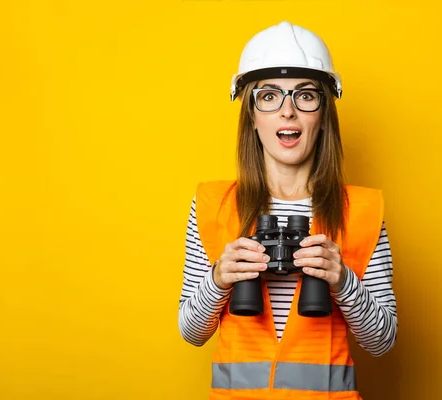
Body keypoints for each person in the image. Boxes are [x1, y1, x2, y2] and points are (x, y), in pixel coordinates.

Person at [178, 21, 397, 400]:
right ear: (251, 115)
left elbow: (382, 342)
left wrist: (341, 279)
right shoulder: (214, 205)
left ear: (324, 115)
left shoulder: (361, 210)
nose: (288, 112)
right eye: (269, 96)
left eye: (306, 96)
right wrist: (219, 278)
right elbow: (191, 333)